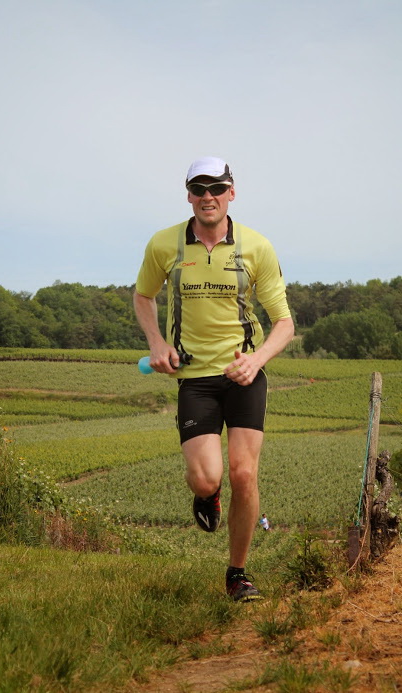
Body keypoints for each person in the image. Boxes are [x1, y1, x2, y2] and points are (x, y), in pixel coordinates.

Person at [133, 156, 294, 601]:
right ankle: (207, 497)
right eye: (199, 188)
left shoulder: (257, 247)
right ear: (188, 195)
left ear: (232, 192)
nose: (208, 196)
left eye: (216, 188)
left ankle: (237, 574)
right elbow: (143, 296)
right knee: (207, 479)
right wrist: (156, 344)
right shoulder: (165, 245)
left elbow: (284, 323)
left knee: (244, 474)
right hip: (195, 377)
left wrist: (257, 360)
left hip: (244, 374)